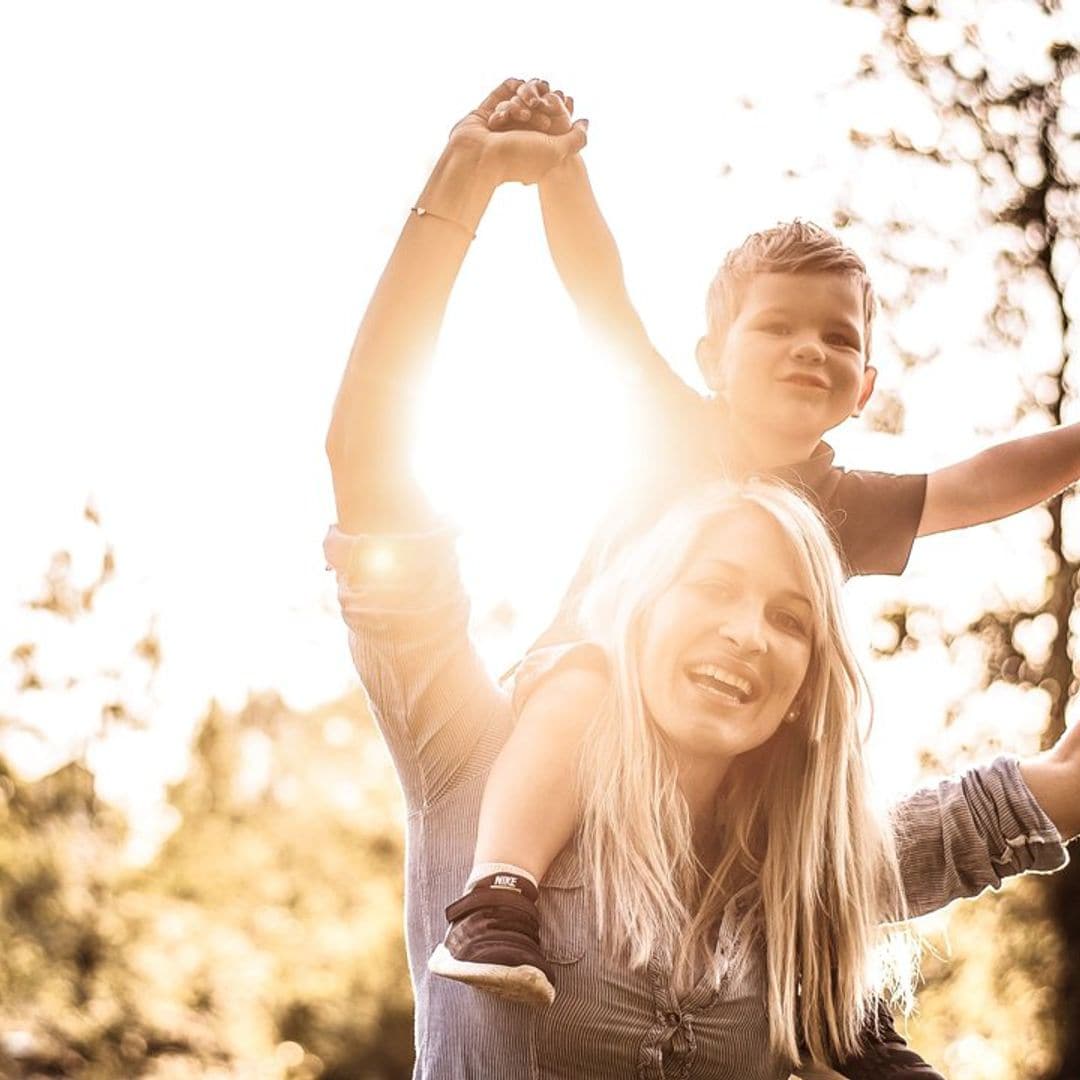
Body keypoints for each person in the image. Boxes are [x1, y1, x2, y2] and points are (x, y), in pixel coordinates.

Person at [325, 79, 1080, 1079]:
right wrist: (537, 173)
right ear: (714, 354)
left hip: (793, 850)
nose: (746, 632)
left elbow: (982, 487)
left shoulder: (807, 835)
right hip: (571, 681)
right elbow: (589, 297)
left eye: (792, 615)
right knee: (584, 682)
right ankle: (503, 893)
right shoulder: (484, 760)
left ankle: (841, 1016)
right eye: (712, 585)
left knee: (815, 899)